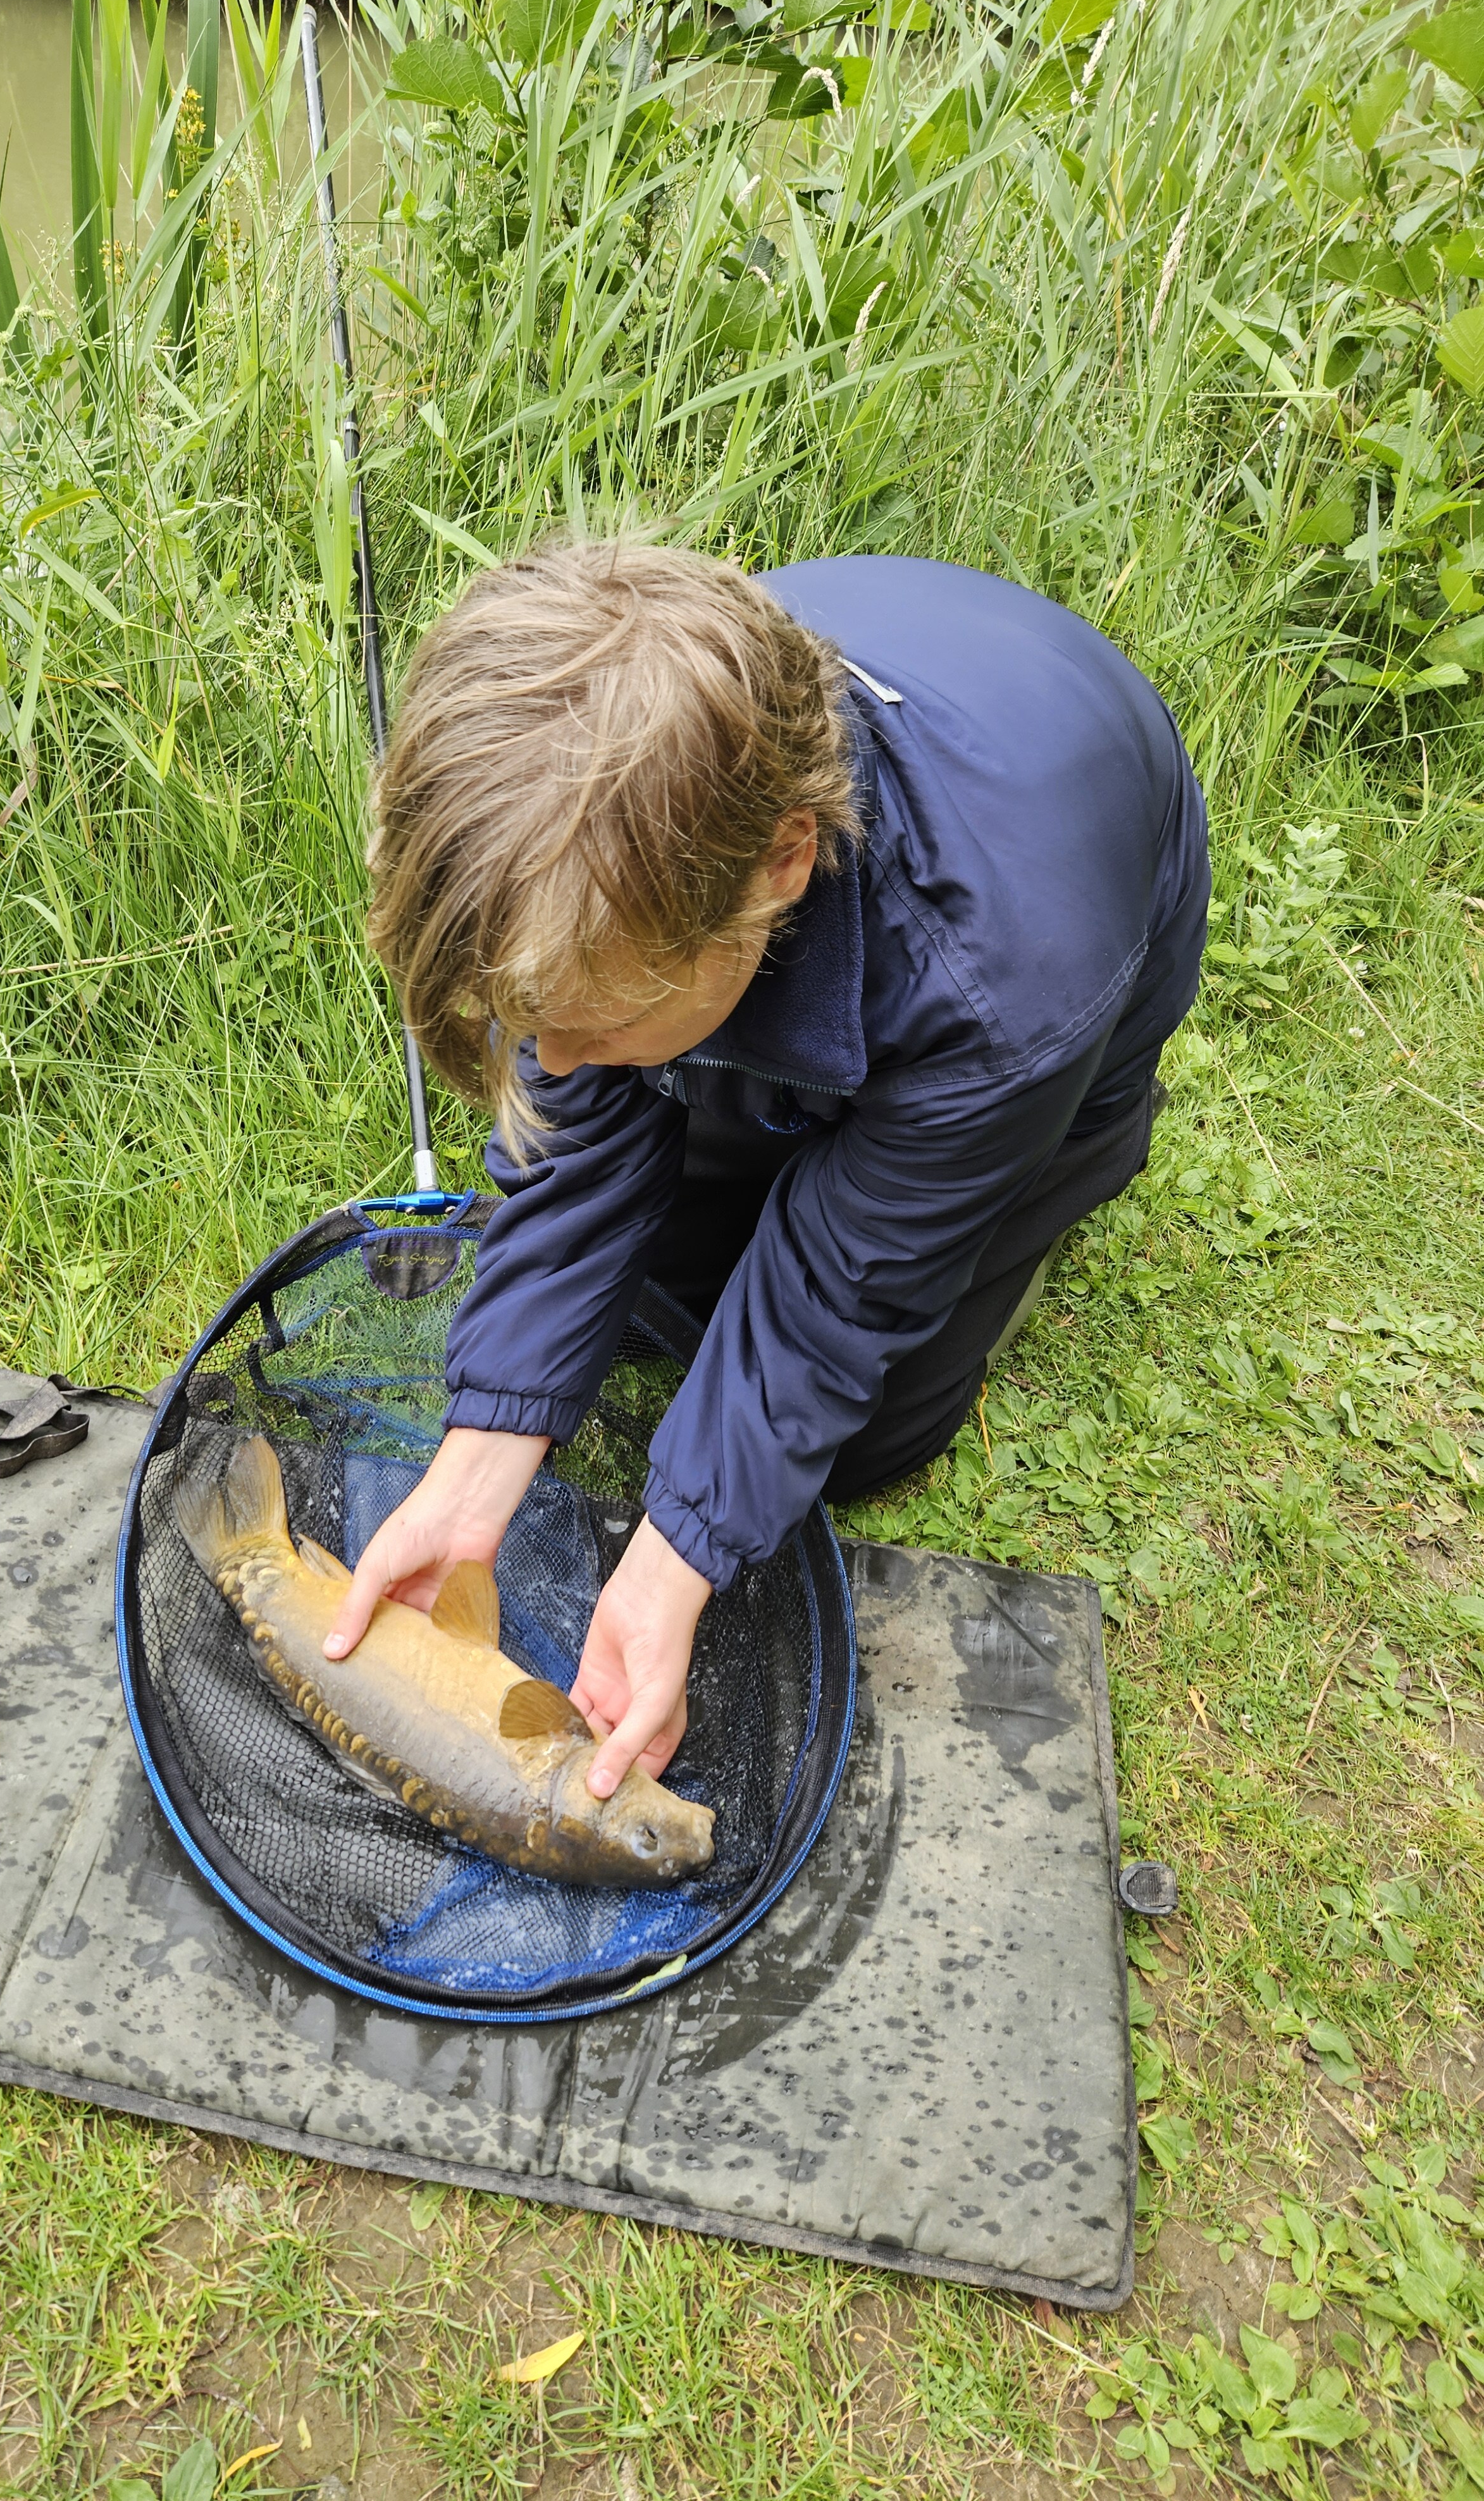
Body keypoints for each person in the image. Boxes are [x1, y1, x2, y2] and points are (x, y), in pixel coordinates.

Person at [319, 542, 1209, 1799]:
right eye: (535, 1019)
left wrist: (674, 1560)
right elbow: (580, 1136)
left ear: (786, 858)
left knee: (851, 1438)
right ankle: (727, 1079)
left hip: (1051, 1021)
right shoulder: (619, 817)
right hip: (843, 800)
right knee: (651, 1297)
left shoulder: (1010, 994)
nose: (552, 1060)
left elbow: (842, 1292)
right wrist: (479, 1462)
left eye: (587, 1023)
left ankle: (1058, 1163)